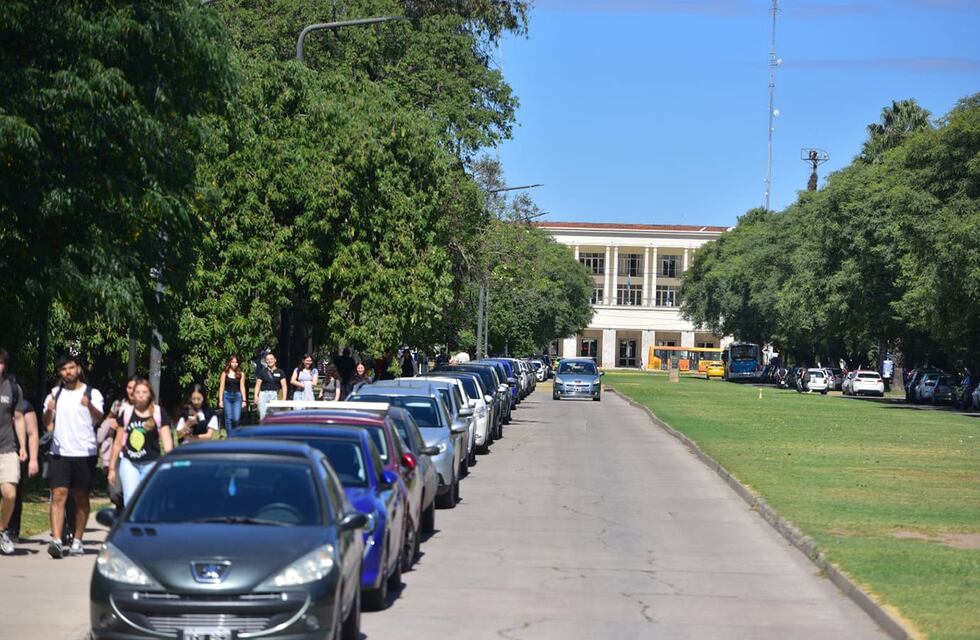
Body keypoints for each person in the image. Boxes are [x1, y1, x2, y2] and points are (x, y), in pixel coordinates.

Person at [42, 354, 104, 559]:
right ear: (60, 373)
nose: (67, 372)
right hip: (60, 453)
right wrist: (49, 411)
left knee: (81, 498)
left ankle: (77, 540)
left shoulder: (92, 393)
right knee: (58, 495)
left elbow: (99, 419)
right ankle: (57, 540)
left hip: (84, 453)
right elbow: (47, 423)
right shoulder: (55, 394)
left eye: (71, 368)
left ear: (78, 369)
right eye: (63, 369)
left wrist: (89, 406)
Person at [107, 379, 173, 507]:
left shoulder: (159, 413)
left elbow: (167, 444)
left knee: (149, 500)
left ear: (150, 394)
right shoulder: (127, 413)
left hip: (151, 463)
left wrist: (169, 465)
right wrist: (111, 469)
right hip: (130, 463)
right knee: (131, 501)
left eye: (144, 392)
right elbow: (117, 443)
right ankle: (132, 526)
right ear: (133, 394)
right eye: (138, 392)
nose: (141, 395)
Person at [98, 375, 142, 511]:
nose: (131, 390)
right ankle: (121, 508)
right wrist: (112, 424)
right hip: (119, 453)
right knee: (114, 491)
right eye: (129, 387)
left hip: (138, 453)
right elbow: (108, 419)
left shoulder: (146, 407)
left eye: (135, 387)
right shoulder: (118, 404)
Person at [0, 348, 28, 555]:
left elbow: (19, 418)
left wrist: (24, 446)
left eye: (1, 363)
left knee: (10, 493)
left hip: (7, 447)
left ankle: (2, 530)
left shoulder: (13, 388)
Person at [6, 396, 39, 542]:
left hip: (17, 453)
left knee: (14, 492)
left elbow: (32, 433)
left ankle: (12, 530)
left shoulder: (25, 406)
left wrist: (33, 459)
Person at [253, 352, 287, 420]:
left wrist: (284, 398)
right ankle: (262, 429)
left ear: (275, 360)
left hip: (275, 394)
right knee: (262, 414)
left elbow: (284, 386)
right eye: (267, 359)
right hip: (263, 394)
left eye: (271, 359)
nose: (269, 361)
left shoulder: (280, 372)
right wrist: (256, 396)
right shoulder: (262, 372)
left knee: (274, 415)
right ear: (266, 361)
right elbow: (257, 385)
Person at [218, 355, 247, 431]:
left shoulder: (241, 374)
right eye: (233, 362)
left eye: (236, 362)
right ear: (230, 363)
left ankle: (236, 433)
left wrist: (244, 400)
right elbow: (221, 387)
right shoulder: (225, 373)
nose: (235, 364)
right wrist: (220, 400)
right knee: (228, 418)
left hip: (237, 396)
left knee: (236, 418)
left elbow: (242, 387)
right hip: (227, 396)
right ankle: (230, 436)